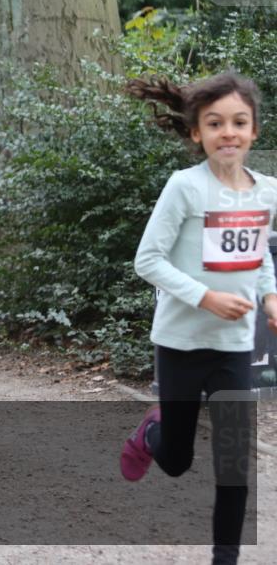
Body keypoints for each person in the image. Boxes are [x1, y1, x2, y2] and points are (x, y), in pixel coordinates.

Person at [120, 72, 277, 565]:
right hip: (181, 344)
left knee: (234, 463)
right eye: (215, 123)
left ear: (254, 131)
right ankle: (152, 433)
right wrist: (206, 296)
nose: (227, 132)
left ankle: (224, 558)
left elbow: (260, 256)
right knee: (177, 459)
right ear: (197, 134)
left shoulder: (267, 191)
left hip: (233, 347)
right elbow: (148, 260)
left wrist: (270, 297)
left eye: (238, 122)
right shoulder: (184, 188)